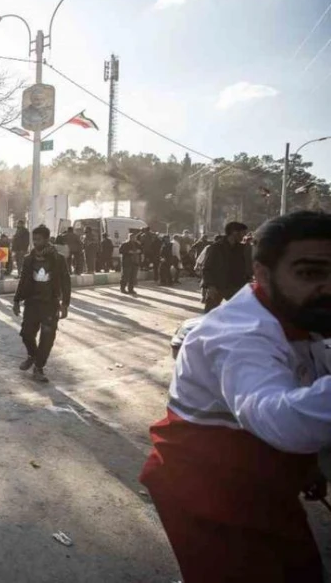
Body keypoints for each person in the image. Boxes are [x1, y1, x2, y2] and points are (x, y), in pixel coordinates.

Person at [139, 211, 331, 583]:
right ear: (262, 273)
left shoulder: (300, 316)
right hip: (206, 494)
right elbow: (277, 416)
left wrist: (305, 464)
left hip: (262, 481)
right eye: (310, 273)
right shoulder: (240, 336)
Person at [12, 225, 71, 383]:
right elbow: (23, 281)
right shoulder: (28, 259)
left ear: (46, 239)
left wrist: (65, 304)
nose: (35, 242)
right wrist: (16, 300)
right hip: (32, 303)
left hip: (50, 304)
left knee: (47, 337)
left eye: (38, 239)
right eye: (34, 239)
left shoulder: (58, 259)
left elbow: (66, 282)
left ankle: (39, 367)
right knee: (26, 334)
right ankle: (32, 355)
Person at [201, 221, 251, 313]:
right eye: (243, 233)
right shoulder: (216, 247)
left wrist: (247, 280)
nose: (244, 236)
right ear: (234, 232)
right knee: (209, 315)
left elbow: (246, 267)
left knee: (241, 314)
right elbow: (206, 268)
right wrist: (210, 286)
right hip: (217, 287)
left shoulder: (242, 248)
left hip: (236, 287)